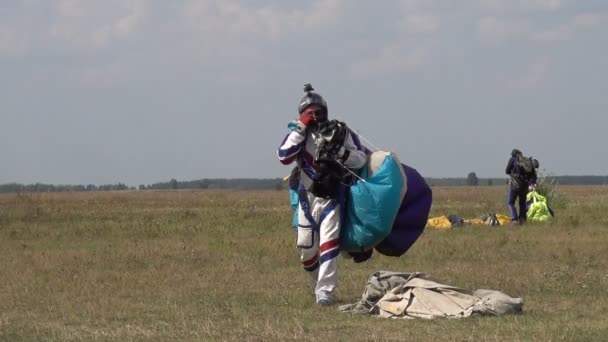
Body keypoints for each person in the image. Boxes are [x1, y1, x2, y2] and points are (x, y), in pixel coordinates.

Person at [277, 84, 367, 305]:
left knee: (329, 243)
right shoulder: (298, 134)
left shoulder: (340, 131)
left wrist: (340, 152)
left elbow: (361, 158)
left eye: (318, 111)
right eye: (310, 113)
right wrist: (300, 129)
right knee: (306, 249)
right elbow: (284, 156)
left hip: (332, 196)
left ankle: (325, 292)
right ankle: (317, 283)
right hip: (307, 197)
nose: (315, 116)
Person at [505, 149, 538, 225]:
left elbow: (507, 171)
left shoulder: (513, 159)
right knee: (522, 203)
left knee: (510, 202)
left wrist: (513, 173)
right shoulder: (527, 161)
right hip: (525, 186)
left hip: (515, 185)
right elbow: (533, 174)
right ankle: (522, 220)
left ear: (513, 154)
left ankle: (514, 219)